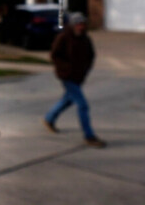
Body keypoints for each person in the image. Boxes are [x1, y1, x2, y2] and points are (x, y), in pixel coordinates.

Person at [43, 12, 106, 148]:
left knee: (67, 100)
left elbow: (91, 56)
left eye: (83, 24)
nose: (81, 27)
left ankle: (49, 119)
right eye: (78, 24)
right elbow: (54, 55)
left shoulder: (86, 39)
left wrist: (86, 69)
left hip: (79, 77)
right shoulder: (63, 37)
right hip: (67, 76)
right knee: (83, 105)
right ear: (72, 25)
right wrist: (65, 68)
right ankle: (89, 136)